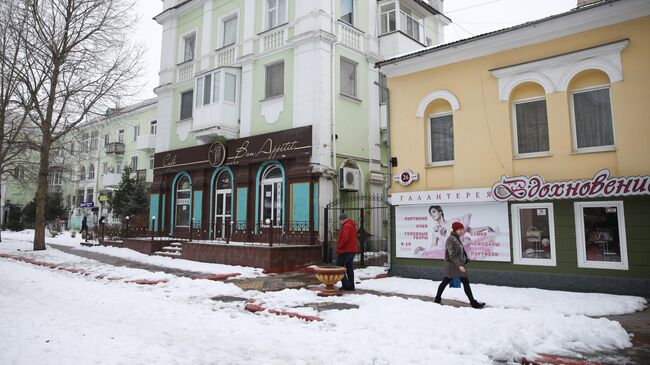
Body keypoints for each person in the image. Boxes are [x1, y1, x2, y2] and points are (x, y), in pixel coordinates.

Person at [434, 221, 485, 308]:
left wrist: (465, 259)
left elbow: (460, 251)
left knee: (464, 282)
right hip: (452, 266)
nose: (462, 231)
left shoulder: (457, 238)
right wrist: (460, 265)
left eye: (462, 229)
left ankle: (473, 302)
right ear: (455, 230)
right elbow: (452, 255)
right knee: (446, 281)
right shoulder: (451, 239)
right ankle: (437, 299)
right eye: (460, 229)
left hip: (457, 265)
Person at [336, 213, 358, 291]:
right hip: (352, 250)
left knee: (338, 267)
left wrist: (339, 246)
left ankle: (346, 285)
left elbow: (345, 238)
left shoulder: (346, 226)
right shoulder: (351, 225)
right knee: (349, 268)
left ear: (342, 219)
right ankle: (351, 286)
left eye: (340, 221)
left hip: (345, 250)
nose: (340, 222)